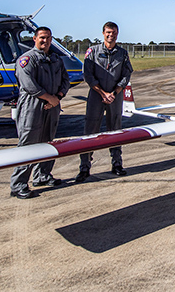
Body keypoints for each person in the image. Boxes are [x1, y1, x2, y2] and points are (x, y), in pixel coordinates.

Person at [9, 26, 71, 199]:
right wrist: (49, 99)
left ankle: (42, 175)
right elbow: (29, 85)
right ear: (35, 39)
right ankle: (18, 184)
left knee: (48, 143)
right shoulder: (27, 59)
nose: (45, 41)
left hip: (53, 105)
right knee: (28, 145)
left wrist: (57, 97)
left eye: (48, 38)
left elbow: (65, 80)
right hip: (32, 105)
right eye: (42, 37)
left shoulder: (55, 59)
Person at [75, 21, 133, 183]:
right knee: (90, 131)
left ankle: (116, 164)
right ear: (103, 33)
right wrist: (102, 92)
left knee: (115, 129)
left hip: (115, 96)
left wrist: (114, 93)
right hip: (96, 95)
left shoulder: (122, 53)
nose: (110, 35)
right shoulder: (92, 51)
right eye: (108, 32)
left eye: (113, 32)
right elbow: (88, 74)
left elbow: (126, 75)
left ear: (117, 33)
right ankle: (84, 167)